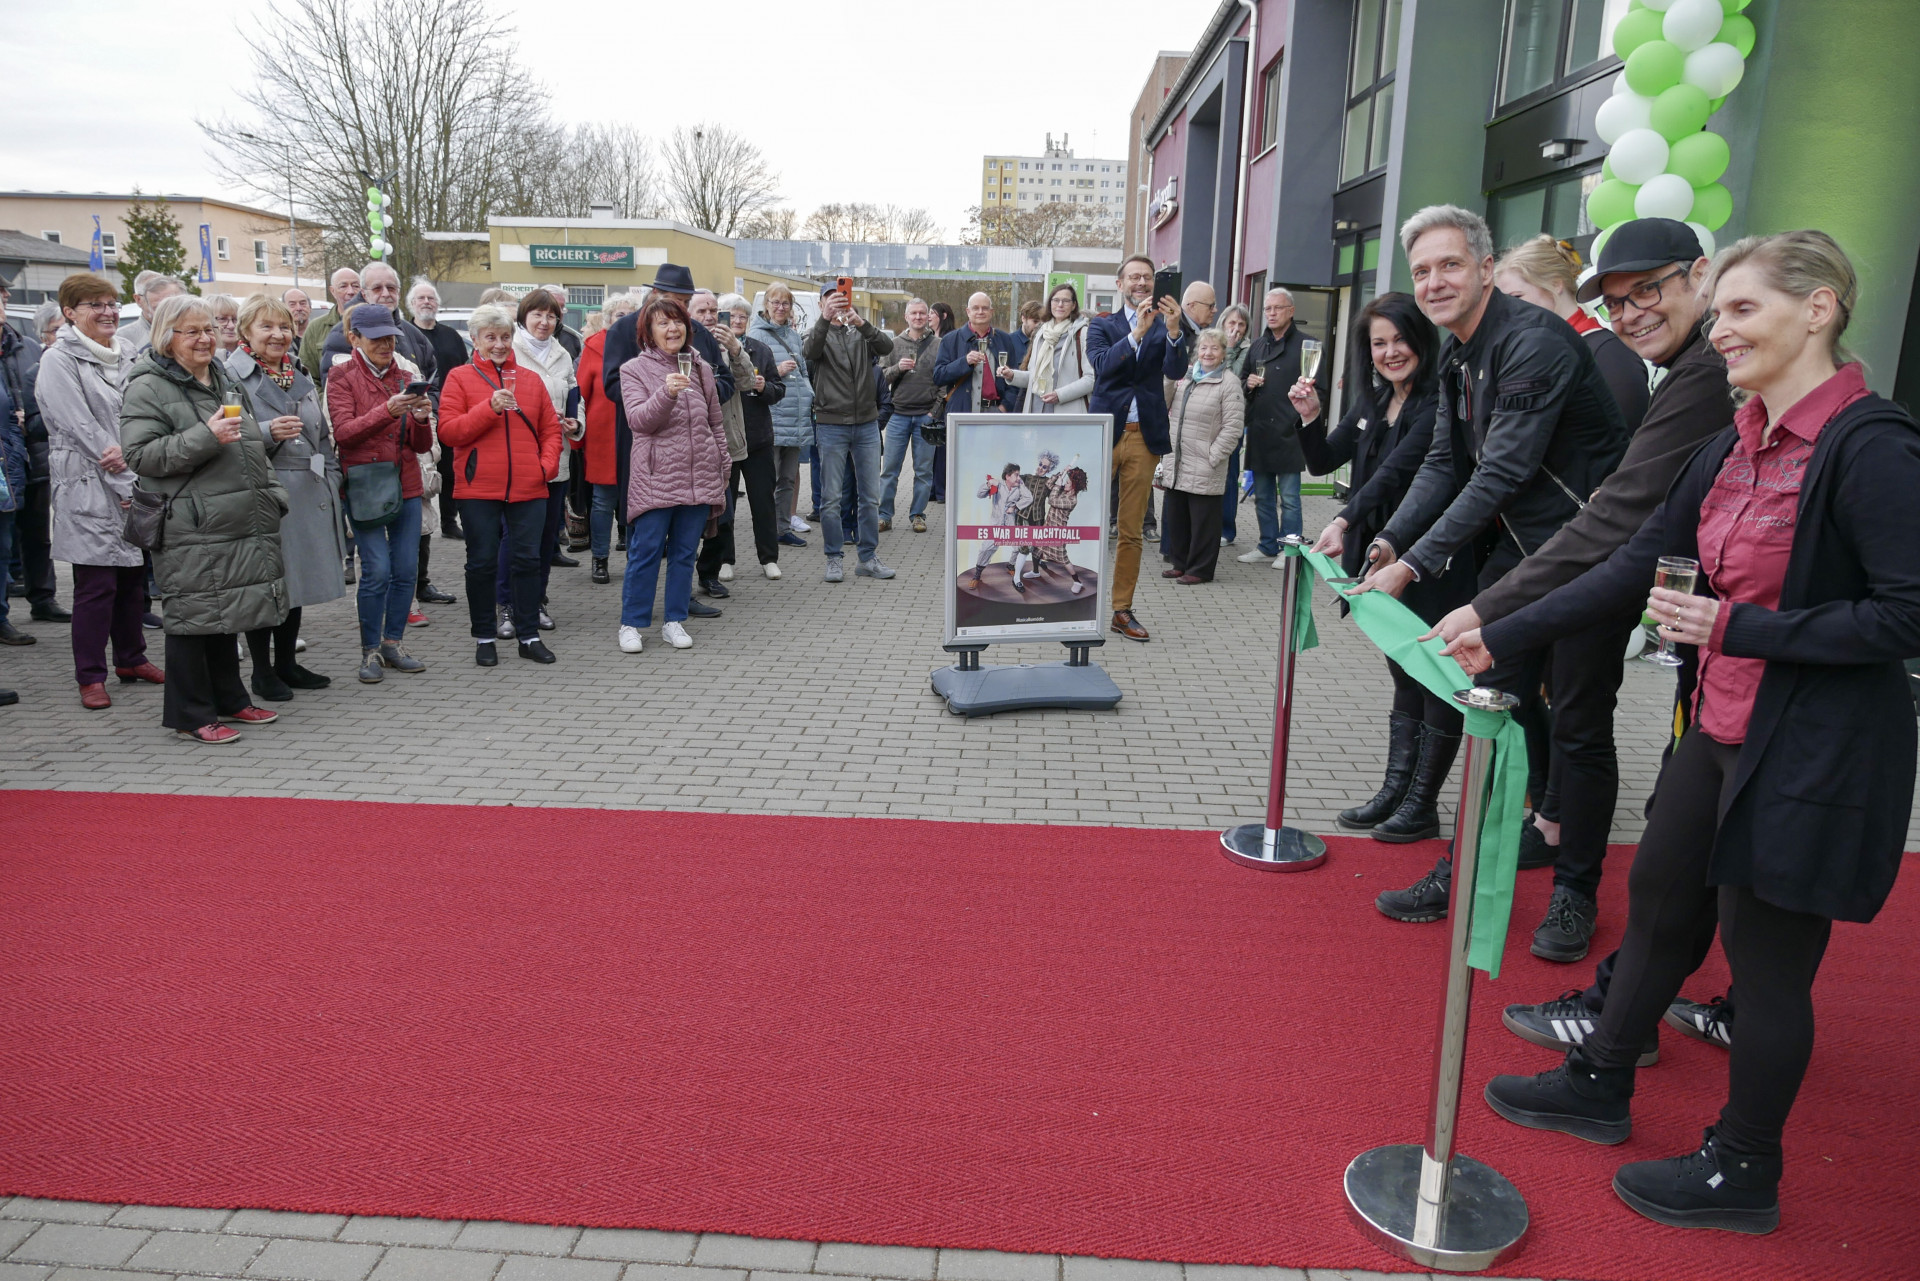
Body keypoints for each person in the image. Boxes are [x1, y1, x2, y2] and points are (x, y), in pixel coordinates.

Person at [1454, 231, 1920, 1236]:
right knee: (1662, 902)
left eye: (1745, 310)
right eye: (1724, 313)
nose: (1723, 331)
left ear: (1820, 309)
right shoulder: (1732, 441)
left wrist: (1740, 627)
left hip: (1813, 752)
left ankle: (1743, 1167)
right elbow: (1640, 567)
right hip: (1718, 724)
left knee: (1768, 965)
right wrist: (1501, 629)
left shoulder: (1870, 445)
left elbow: (1906, 616)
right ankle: (1601, 1079)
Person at [1438, 220, 1737, 1047]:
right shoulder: (1699, 376)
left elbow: (1619, 519)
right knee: (1694, 853)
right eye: (1617, 299)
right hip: (1620, 608)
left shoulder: (1703, 376)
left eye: (1650, 290)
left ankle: (1615, 1025)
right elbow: (1641, 535)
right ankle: (1635, 1022)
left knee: (1674, 841)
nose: (1632, 311)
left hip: (1719, 658)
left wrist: (1495, 610)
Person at [1354, 204, 1631, 926]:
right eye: (1422, 271)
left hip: (1591, 553)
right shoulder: (1458, 351)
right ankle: (1464, 869)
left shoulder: (1532, 341)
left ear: (1484, 268)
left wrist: (1413, 565)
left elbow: (1502, 471)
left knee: (1579, 724)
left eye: (1449, 264)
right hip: (1521, 552)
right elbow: (1444, 462)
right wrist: (1390, 540)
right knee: (1488, 703)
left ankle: (1575, 896)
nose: (1435, 282)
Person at [1293, 292, 1472, 840]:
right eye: (1378, 343)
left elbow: (1393, 473)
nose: (1390, 351)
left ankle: (1422, 802)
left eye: (1399, 339)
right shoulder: (1373, 401)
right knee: (1403, 672)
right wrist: (1310, 418)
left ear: (1421, 340)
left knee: (1435, 676)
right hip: (1380, 557)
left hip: (1428, 558)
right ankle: (1396, 790)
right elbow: (1324, 462)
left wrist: (1344, 520)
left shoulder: (1437, 402)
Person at [119, 294, 287, 745]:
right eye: (192, 331)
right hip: (190, 523)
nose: (204, 339)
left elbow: (251, 442)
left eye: (209, 329)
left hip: (237, 515)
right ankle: (190, 714)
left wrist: (273, 494)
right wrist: (205, 436)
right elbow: (141, 455)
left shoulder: (222, 375)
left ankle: (230, 698)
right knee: (192, 618)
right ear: (166, 337)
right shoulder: (147, 386)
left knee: (225, 613)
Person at [34, 273, 157, 707]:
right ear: (70, 313)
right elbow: (80, 426)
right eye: (95, 305)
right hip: (87, 482)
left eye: (111, 303)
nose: (107, 312)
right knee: (96, 584)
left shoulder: (126, 353)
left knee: (132, 580)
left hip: (130, 476)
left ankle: (131, 658)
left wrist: (136, 461)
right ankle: (90, 676)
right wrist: (126, 472)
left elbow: (142, 413)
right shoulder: (59, 360)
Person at [224, 292, 346, 700]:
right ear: (245, 331)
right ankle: (261, 672)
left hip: (307, 491)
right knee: (266, 584)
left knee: (295, 582)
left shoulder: (297, 370)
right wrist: (265, 432)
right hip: (262, 491)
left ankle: (286, 663)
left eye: (284, 326)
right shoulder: (229, 376)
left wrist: (330, 475)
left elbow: (320, 433)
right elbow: (224, 435)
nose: (278, 335)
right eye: (266, 326)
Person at [438, 302, 562, 665]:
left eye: (505, 336)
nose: (499, 344)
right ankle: (484, 637)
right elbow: (449, 432)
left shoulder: (531, 380)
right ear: (475, 340)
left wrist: (545, 467)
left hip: (529, 486)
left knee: (528, 562)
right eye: (490, 337)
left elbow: (550, 430)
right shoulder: (459, 378)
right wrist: (487, 409)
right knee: (481, 564)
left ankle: (529, 635)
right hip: (478, 487)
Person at [325, 303, 434, 683]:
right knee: (377, 571)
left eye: (390, 337)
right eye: (377, 338)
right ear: (353, 338)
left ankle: (393, 644)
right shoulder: (341, 376)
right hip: (366, 484)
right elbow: (343, 433)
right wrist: (388, 411)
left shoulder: (406, 375)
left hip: (405, 482)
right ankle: (369, 650)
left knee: (405, 570)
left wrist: (421, 419)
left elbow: (421, 446)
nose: (386, 344)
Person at [616, 293, 729, 653]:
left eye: (677, 321)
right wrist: (666, 393)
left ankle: (674, 621)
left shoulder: (701, 367)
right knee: (646, 552)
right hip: (656, 477)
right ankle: (632, 623)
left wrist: (722, 463)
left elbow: (715, 422)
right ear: (648, 331)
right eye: (662, 323)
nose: (672, 328)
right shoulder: (634, 370)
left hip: (698, 476)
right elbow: (639, 421)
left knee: (684, 554)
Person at [1087, 255, 1181, 642]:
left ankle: (1121, 610)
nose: (1141, 283)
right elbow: (1102, 366)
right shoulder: (1102, 324)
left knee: (1131, 530)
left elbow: (1175, 371)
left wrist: (1173, 333)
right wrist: (1136, 334)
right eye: (1134, 277)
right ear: (1120, 283)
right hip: (1104, 434)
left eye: (1147, 277)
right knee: (1084, 520)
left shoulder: (1166, 324)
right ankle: (1073, 600)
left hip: (1144, 437)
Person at [1496, 234, 1650, 433]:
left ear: (1555, 284)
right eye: (1502, 304)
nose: (1508, 312)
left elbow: (1630, 439)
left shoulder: (1607, 353)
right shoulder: (1529, 355)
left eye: (1516, 297)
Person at [805, 285, 896, 583]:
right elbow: (810, 352)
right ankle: (833, 557)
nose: (837, 303)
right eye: (830, 299)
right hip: (831, 424)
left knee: (870, 497)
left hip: (867, 423)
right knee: (831, 498)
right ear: (821, 303)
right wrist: (825, 319)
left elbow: (886, 347)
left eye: (841, 298)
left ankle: (867, 558)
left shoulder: (859, 331)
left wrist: (861, 322)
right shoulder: (816, 333)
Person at [697, 294, 786, 586]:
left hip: (758, 438)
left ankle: (769, 558)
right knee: (726, 505)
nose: (736, 321)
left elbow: (778, 389)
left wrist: (764, 388)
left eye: (742, 317)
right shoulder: (710, 349)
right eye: (730, 316)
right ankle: (725, 560)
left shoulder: (760, 349)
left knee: (763, 502)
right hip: (725, 439)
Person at [507, 288, 581, 633]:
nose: (544, 321)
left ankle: (536, 601)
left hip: (556, 458)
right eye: (537, 314)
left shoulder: (562, 354)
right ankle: (507, 605)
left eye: (551, 316)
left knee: (546, 537)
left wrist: (576, 422)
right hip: (519, 459)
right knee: (516, 539)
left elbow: (574, 396)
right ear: (524, 317)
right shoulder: (509, 349)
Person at [1160, 328, 1244, 584]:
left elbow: (1233, 427)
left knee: (1203, 522)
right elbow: (1163, 403)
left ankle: (1200, 570)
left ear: (1223, 353)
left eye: (1214, 348)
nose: (1208, 353)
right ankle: (1180, 563)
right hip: (1178, 460)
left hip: (1206, 463)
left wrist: (1213, 456)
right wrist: (1169, 377)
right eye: (1204, 348)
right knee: (1178, 517)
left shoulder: (1229, 382)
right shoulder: (1185, 376)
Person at [689, 289, 757, 599]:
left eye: (713, 311)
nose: (709, 317)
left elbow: (746, 382)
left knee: (724, 517)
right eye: (701, 311)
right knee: (689, 520)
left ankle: (709, 575)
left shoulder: (728, 346)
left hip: (725, 443)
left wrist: (735, 350)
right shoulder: (680, 344)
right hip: (687, 447)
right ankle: (682, 582)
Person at [1236, 288, 1311, 565]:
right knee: (1263, 497)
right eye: (1268, 308)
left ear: (1291, 311)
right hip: (1260, 431)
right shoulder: (1257, 346)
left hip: (1291, 432)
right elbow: (1241, 383)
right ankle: (1267, 546)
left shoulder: (1307, 345)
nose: (1271, 313)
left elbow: (1318, 389)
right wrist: (1248, 384)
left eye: (1277, 308)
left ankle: (1289, 550)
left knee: (1289, 498)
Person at [3, 304, 65, 628]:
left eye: (2, 299)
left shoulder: (26, 346)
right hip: (4, 456)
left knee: (38, 534)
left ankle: (43, 599)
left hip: (34, 454)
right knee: (4, 538)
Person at [578, 292, 641, 583]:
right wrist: (577, 436)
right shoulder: (594, 347)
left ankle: (635, 558)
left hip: (637, 431)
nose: (625, 320)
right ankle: (599, 558)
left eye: (630, 315)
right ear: (608, 319)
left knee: (637, 500)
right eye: (619, 315)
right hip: (603, 435)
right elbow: (581, 394)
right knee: (603, 501)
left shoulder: (642, 344)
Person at [748, 284, 814, 547]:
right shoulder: (756, 335)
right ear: (766, 305)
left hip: (796, 417)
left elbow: (804, 371)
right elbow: (751, 376)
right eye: (775, 302)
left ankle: (783, 528)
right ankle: (766, 531)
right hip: (773, 417)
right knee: (770, 479)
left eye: (785, 303)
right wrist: (777, 370)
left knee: (788, 478)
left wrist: (808, 394)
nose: (780, 308)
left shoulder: (794, 336)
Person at [408, 277, 471, 545]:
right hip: (418, 410)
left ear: (437, 304)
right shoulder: (406, 334)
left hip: (450, 410)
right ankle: (418, 524)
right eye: (421, 298)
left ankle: (449, 521)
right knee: (421, 467)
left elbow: (465, 368)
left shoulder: (451, 336)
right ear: (411, 304)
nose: (426, 302)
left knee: (449, 469)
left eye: (430, 298)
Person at [877, 298, 942, 535]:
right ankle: (884, 516)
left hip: (926, 417)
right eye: (913, 313)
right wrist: (898, 368)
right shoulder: (893, 344)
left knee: (923, 472)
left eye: (922, 313)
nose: (918, 317)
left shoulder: (938, 345)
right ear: (906, 317)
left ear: (928, 317)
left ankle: (918, 515)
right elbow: (880, 378)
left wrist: (935, 411)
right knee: (889, 470)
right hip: (898, 416)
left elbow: (945, 381)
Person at [318, 263, 436, 389]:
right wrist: (391, 402)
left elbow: (433, 384)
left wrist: (422, 400)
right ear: (364, 294)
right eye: (377, 288)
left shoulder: (415, 335)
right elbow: (338, 392)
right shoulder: (342, 335)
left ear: (399, 293)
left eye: (391, 288)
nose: (386, 294)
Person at [1004, 283, 1095, 418]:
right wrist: (1013, 375)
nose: (1060, 305)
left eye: (1066, 301)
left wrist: (1060, 395)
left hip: (1067, 414)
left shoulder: (1083, 333)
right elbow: (1035, 377)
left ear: (1074, 305)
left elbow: (1091, 379)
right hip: (1036, 412)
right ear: (1050, 303)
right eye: (1056, 300)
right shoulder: (1042, 333)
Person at [1217, 303, 1252, 545]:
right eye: (1232, 322)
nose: (1236, 328)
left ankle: (1226, 529)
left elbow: (1231, 378)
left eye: (1241, 324)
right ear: (1223, 323)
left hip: (1232, 420)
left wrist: (1229, 348)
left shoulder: (1248, 350)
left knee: (1229, 475)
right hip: (1209, 418)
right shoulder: (1211, 343)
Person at [298, 267, 360, 379]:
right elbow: (307, 376)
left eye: (355, 286)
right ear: (332, 291)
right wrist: (327, 391)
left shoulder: (374, 324)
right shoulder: (315, 328)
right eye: (343, 286)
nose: (351, 291)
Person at [120, 270, 186, 353]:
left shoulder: (197, 332)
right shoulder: (122, 339)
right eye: (159, 307)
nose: (167, 311)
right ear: (138, 299)